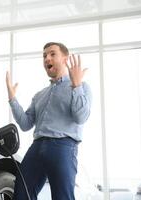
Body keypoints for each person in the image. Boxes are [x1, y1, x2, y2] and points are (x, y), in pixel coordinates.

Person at [6, 42, 92, 200]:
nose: (47, 58)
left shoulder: (82, 87)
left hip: (63, 147)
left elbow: (81, 117)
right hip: (36, 147)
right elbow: (25, 124)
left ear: (65, 59)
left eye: (52, 54)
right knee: (21, 193)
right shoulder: (40, 95)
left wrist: (76, 85)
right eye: (44, 55)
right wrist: (12, 99)